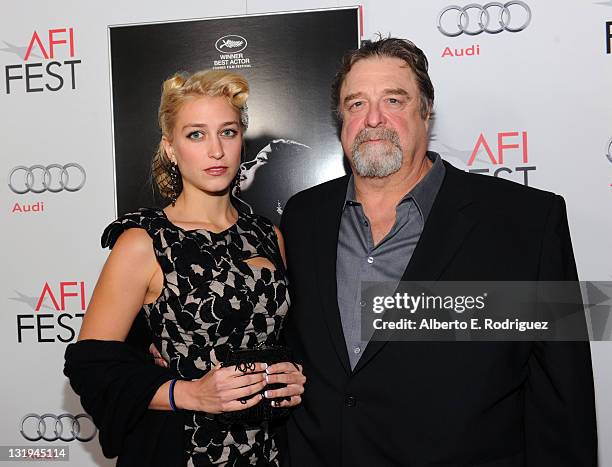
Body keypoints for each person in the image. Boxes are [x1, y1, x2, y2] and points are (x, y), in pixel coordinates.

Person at [279, 38, 597, 466]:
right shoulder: (303, 216)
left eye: (393, 100)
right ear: (341, 120)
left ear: (426, 111)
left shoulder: (526, 222)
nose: (373, 119)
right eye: (356, 104)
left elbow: (563, 395)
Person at [64, 70, 305, 466]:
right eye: (196, 134)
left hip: (269, 449)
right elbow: (90, 367)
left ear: (241, 142)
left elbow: (283, 335)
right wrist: (188, 393)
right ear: (170, 148)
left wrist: (293, 372)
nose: (216, 150)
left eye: (227, 132)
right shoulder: (143, 242)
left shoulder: (268, 235)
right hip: (184, 448)